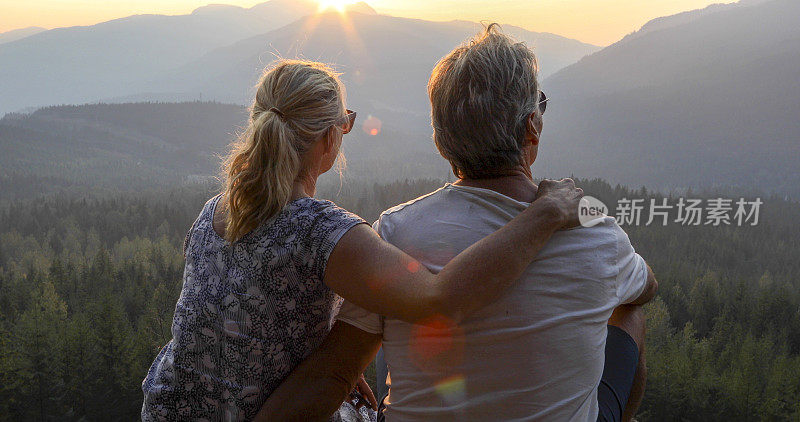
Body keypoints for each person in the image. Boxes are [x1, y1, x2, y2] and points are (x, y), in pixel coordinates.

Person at [140, 59, 583, 421]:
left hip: (169, 408)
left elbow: (238, 315)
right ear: (330, 138)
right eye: (345, 124)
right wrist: (544, 213)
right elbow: (439, 299)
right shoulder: (324, 232)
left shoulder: (215, 211)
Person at [257, 26, 657, 422]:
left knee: (388, 332)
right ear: (532, 127)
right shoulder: (596, 231)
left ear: (441, 141)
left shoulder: (395, 232)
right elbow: (647, 288)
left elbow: (336, 371)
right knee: (629, 311)